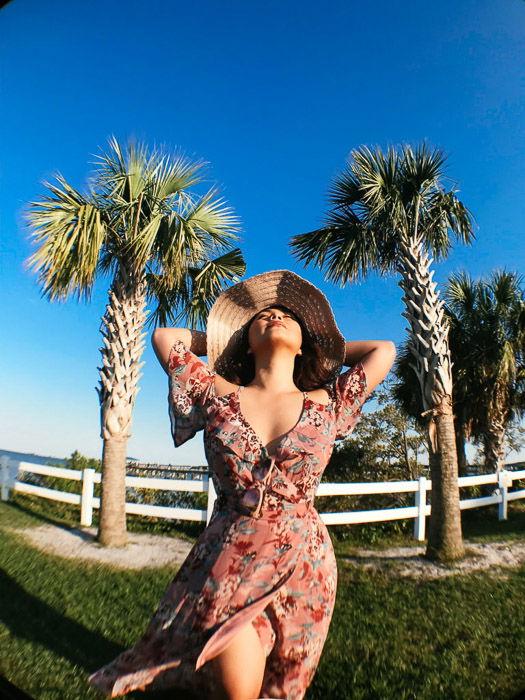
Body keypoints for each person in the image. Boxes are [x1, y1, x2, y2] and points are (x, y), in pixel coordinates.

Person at [89, 270, 395, 700]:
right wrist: (222, 338)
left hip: (305, 561)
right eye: (262, 317)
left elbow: (384, 350)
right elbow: (164, 337)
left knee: (284, 684)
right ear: (245, 340)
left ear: (305, 341)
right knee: (238, 684)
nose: (274, 316)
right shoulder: (217, 391)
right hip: (232, 555)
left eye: (286, 316)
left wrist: (325, 344)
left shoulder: (329, 401)